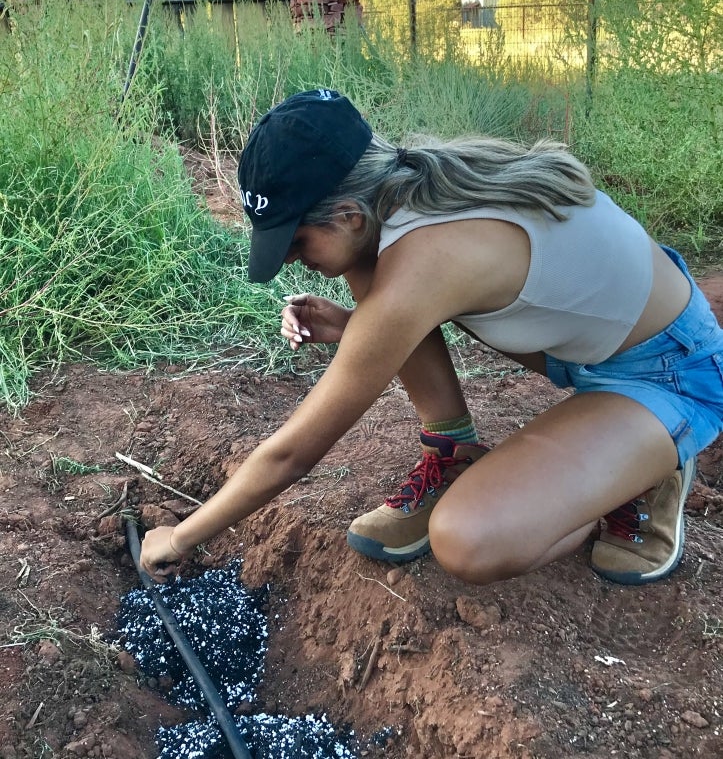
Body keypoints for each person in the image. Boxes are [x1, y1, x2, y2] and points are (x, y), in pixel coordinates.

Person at [140, 88, 723, 588]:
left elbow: (293, 454)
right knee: (367, 272)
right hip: (587, 345)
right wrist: (359, 328)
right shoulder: (404, 189)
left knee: (468, 540)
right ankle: (454, 454)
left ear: (346, 213)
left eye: (296, 242)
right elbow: (410, 300)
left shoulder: (427, 259)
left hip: (668, 370)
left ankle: (647, 467)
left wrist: (181, 535)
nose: (294, 261)